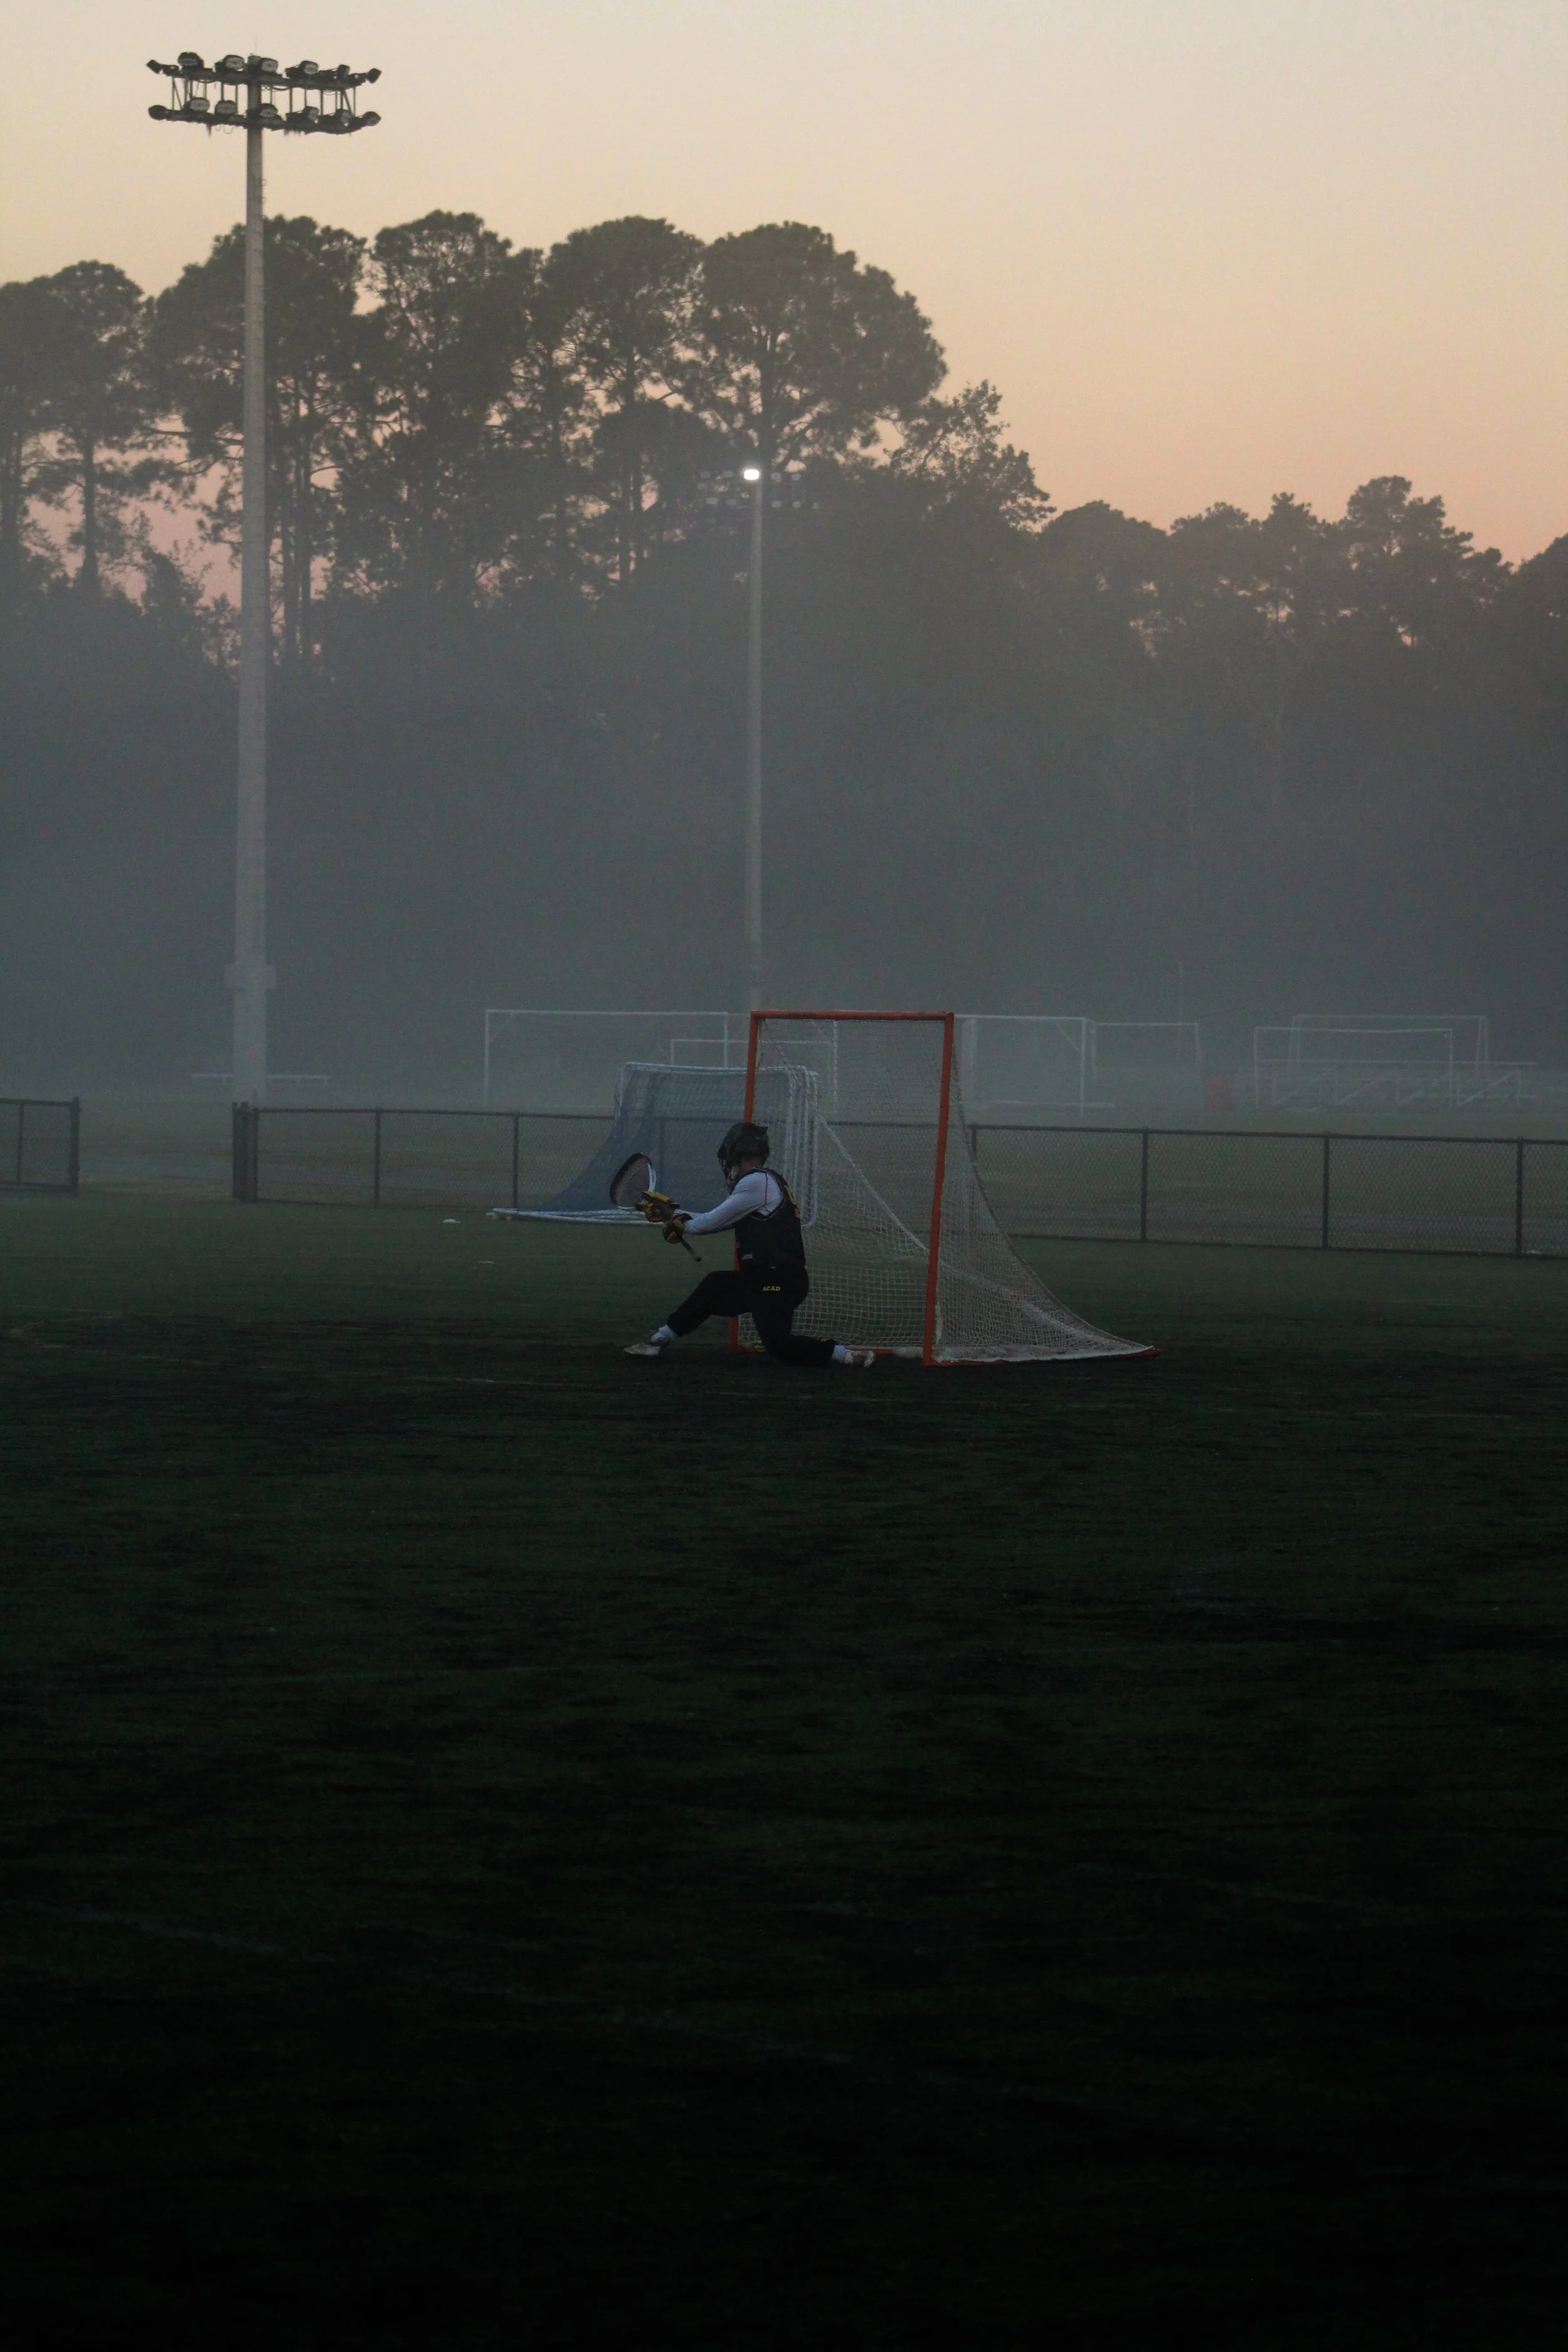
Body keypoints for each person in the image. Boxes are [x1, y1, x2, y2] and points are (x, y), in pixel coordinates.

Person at [625, 1120, 875, 1367]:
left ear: (738, 1153)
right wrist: (672, 1216)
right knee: (714, 1286)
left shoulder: (756, 1183)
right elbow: (714, 1221)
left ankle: (846, 1355)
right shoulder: (764, 1183)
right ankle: (657, 1341)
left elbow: (708, 1223)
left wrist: (675, 1219)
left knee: (779, 1345)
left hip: (777, 1279)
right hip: (763, 1277)